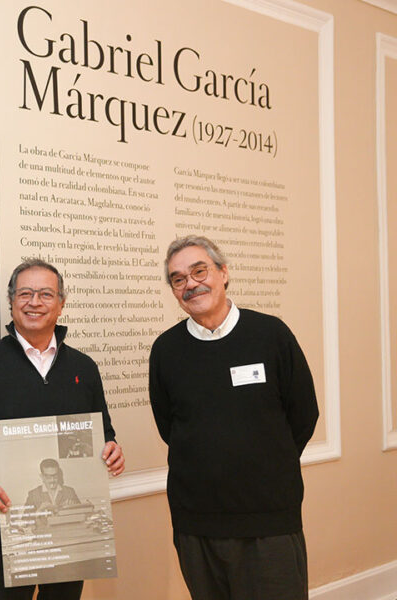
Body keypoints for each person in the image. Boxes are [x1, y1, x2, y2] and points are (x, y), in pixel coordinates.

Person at [148, 235, 319, 600]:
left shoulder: (271, 334)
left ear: (223, 273)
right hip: (196, 522)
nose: (191, 284)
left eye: (199, 271)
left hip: (269, 519)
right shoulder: (165, 350)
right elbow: (171, 427)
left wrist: (266, 464)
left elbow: (304, 414)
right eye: (179, 279)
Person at [0, 259, 125, 600]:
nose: (34, 302)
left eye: (45, 294)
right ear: (12, 302)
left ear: (61, 303)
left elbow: (102, 432)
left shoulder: (84, 368)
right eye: (25, 293)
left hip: (68, 530)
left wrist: (112, 448)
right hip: (9, 525)